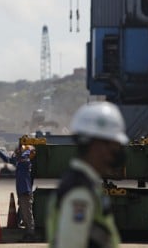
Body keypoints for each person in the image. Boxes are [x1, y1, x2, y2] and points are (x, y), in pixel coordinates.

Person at [46, 101, 129, 248]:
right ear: (97, 146)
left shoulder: (85, 184)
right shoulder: (80, 192)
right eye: (114, 145)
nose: (117, 153)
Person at [0, 144, 37, 241]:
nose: (17, 152)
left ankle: (31, 234)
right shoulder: (20, 162)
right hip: (21, 192)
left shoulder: (26, 162)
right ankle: (28, 233)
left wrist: (24, 150)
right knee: (25, 214)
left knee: (27, 214)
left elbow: (28, 152)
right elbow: (7, 159)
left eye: (19, 151)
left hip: (25, 192)